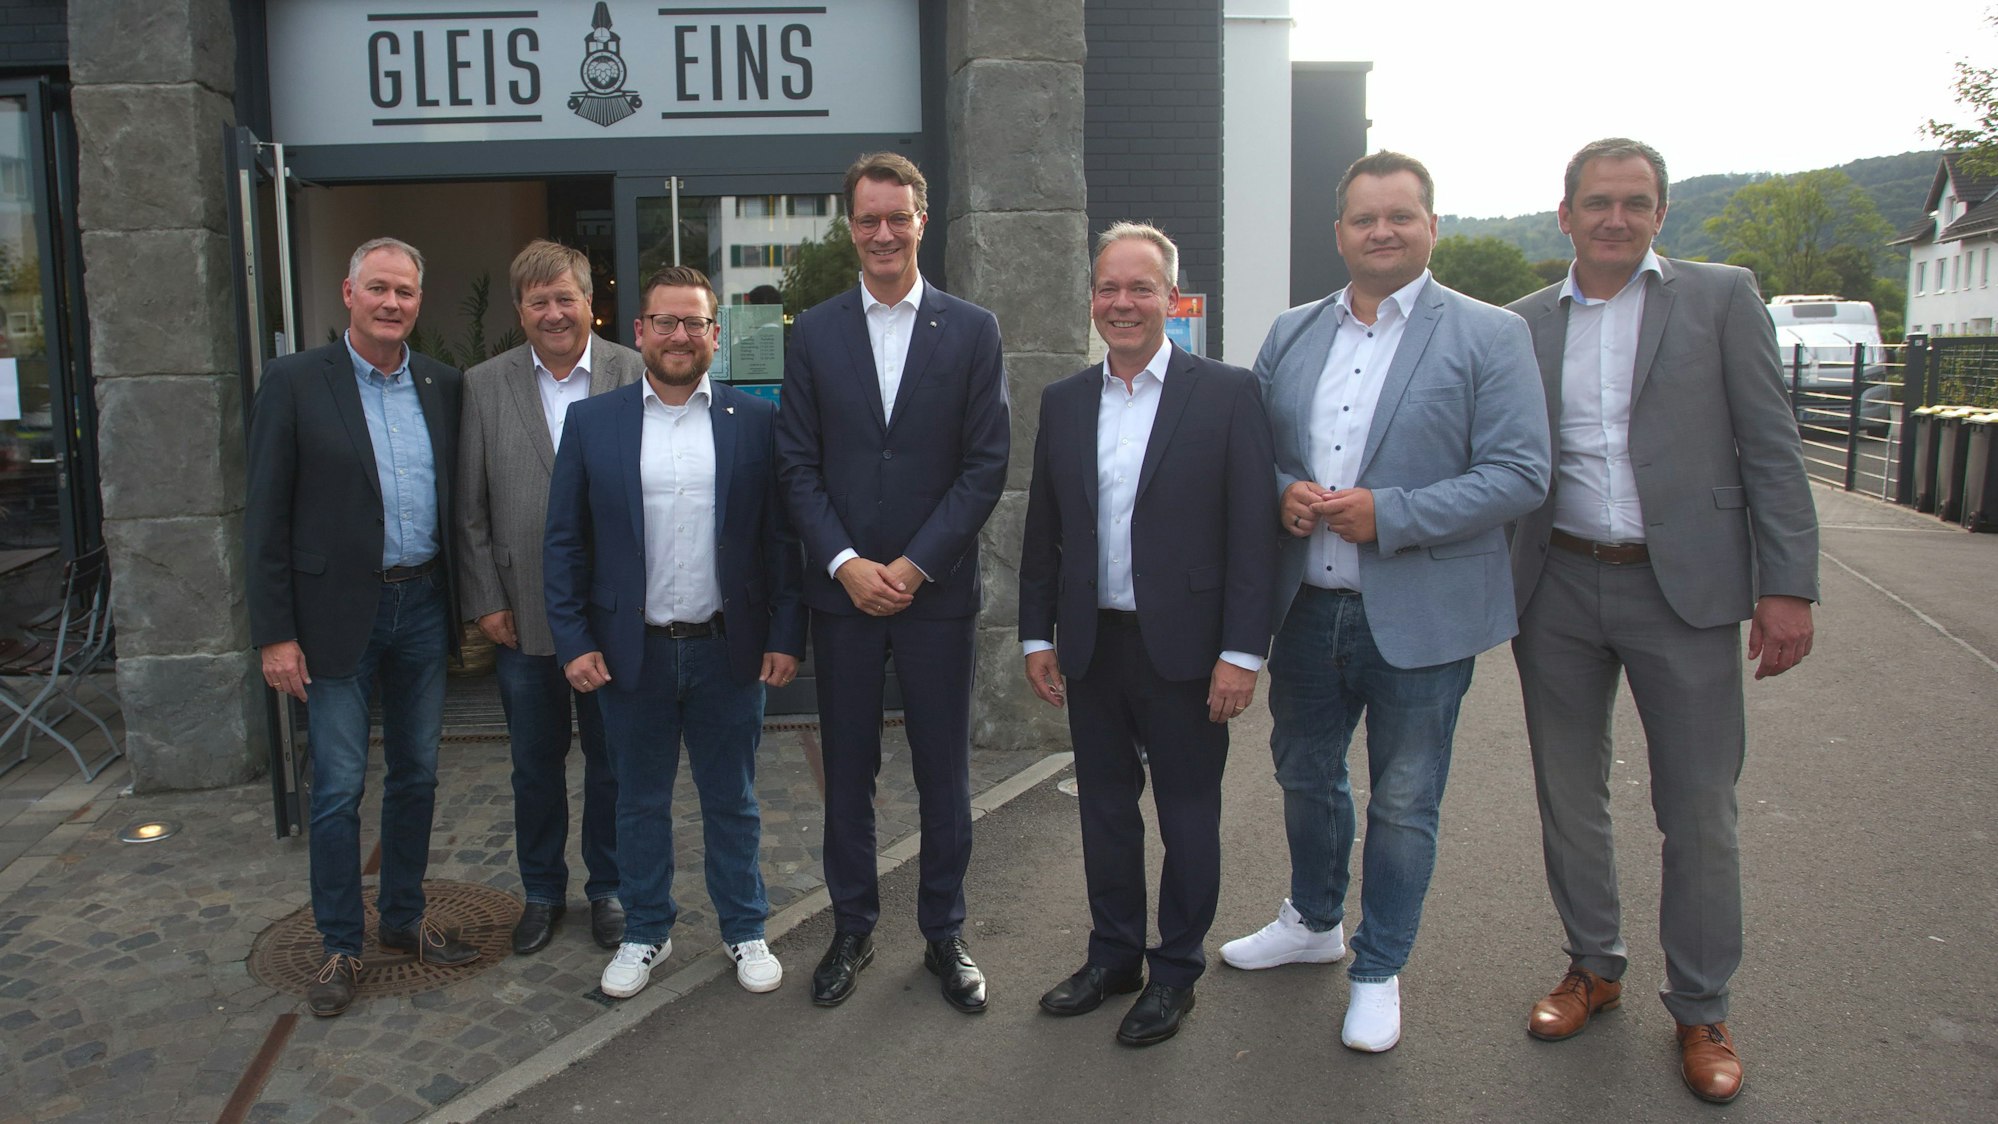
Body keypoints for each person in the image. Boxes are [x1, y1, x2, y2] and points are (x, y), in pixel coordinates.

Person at [1506, 138, 1818, 1104]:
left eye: (1635, 202)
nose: (1616, 218)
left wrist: (1787, 585)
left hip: (1684, 589)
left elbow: (1772, 447)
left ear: (1660, 215)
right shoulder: (1522, 323)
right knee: (1569, 793)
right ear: (1566, 214)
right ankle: (1593, 965)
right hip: (1556, 584)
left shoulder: (1722, 298)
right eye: (1598, 202)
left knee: (1698, 807)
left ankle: (1701, 1006)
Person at [1219, 152, 1551, 1053]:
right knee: (1304, 774)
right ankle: (1314, 921)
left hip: (1424, 614)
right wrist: (1281, 491)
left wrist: (1390, 514)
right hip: (1306, 606)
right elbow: (1251, 450)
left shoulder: (1490, 335)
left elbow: (1521, 473)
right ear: (1339, 233)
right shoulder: (1293, 332)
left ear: (1431, 226)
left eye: (1400, 216)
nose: (1382, 231)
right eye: (1364, 218)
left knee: (1404, 800)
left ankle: (1377, 968)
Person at [1018, 223, 1276, 1046]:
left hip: (1190, 653)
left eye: (1140, 288)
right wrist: (1035, 636)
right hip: (1093, 645)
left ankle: (1175, 973)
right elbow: (1044, 529)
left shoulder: (1227, 394)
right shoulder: (1065, 401)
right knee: (1104, 811)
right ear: (1091, 298)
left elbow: (1254, 535)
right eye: (1108, 288)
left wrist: (1242, 653)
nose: (1122, 303)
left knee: (1187, 815)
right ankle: (1114, 957)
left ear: (1172, 297)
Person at [773, 152, 1010, 1014]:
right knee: (848, 771)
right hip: (842, 599)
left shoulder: (973, 330)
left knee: (944, 773)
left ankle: (945, 932)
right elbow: (797, 465)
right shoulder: (814, 332)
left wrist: (911, 565)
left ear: (921, 221)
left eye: (896, 217)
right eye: (868, 219)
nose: (883, 233)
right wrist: (846, 564)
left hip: (934, 595)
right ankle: (852, 927)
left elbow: (985, 467)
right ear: (851, 228)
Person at [543, 266, 805, 999]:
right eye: (665, 321)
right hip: (632, 654)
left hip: (728, 649)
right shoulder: (593, 422)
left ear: (716, 335)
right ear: (640, 332)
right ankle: (645, 931)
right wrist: (573, 640)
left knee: (734, 800)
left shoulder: (756, 422)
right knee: (637, 801)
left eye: (694, 323)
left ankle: (744, 926)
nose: (679, 335)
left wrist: (786, 633)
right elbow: (564, 542)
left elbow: (781, 541)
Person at [246, 237, 475, 1018]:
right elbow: (265, 516)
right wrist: (275, 634)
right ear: (349, 293)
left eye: (405, 292)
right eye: (378, 288)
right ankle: (341, 943)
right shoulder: (295, 381)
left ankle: (404, 920)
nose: (392, 303)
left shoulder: (443, 385)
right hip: (333, 617)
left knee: (417, 775)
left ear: (419, 301)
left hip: (422, 605)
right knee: (339, 787)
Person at [456, 240, 643, 956]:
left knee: (612, 761)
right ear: (520, 310)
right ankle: (540, 891)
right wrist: (485, 599)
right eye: (540, 302)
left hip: (614, 613)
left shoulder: (633, 371)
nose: (555, 313)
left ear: (591, 303)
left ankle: (609, 888)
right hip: (521, 613)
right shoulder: (484, 384)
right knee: (534, 766)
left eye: (566, 298)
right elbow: (469, 508)